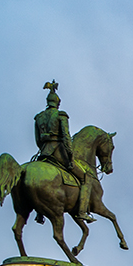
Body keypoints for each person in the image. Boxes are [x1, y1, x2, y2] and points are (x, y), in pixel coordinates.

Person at [34, 81, 93, 221]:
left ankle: (39, 212)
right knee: (86, 178)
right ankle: (83, 212)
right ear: (58, 103)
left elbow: (37, 139)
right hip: (59, 153)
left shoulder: (39, 117)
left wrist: (43, 149)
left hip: (43, 153)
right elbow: (66, 136)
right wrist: (70, 155)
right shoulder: (61, 115)